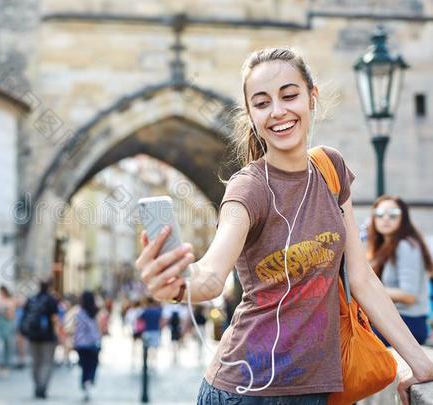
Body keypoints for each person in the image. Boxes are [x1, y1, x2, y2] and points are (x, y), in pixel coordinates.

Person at [135, 47, 433, 405]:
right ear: (251, 115)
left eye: (289, 95)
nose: (278, 112)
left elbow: (362, 278)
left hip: (314, 391)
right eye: (261, 103)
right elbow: (212, 274)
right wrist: (177, 284)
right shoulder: (248, 187)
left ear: (312, 97)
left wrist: (419, 361)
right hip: (244, 392)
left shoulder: (331, 168)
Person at [367, 195, 433, 346]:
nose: (386, 218)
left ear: (403, 218)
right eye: (379, 214)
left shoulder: (406, 246)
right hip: (393, 321)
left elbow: (409, 295)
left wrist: (367, 289)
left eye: (393, 214)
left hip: (409, 324)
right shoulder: (383, 247)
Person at [21, 280, 61, 399]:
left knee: (36, 362)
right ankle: (42, 386)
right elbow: (54, 319)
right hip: (48, 337)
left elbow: (24, 317)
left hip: (33, 336)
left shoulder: (31, 300)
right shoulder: (51, 300)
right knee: (47, 362)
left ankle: (37, 384)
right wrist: (57, 334)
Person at [73, 291, 102, 402]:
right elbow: (99, 328)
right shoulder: (96, 313)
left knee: (84, 365)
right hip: (93, 343)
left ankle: (85, 382)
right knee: (93, 364)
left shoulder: (79, 312)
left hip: (81, 344)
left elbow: (75, 328)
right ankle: (89, 381)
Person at [0, 285, 16, 378]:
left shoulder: (10, 301)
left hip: (7, 325)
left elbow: (11, 315)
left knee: (7, 347)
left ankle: (6, 366)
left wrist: (6, 311)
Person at [139, 297, 163, 370]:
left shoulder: (145, 311)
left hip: (147, 331)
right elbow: (161, 321)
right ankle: (154, 364)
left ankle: (146, 364)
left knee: (146, 348)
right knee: (154, 349)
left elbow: (140, 319)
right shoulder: (158, 311)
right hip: (155, 331)